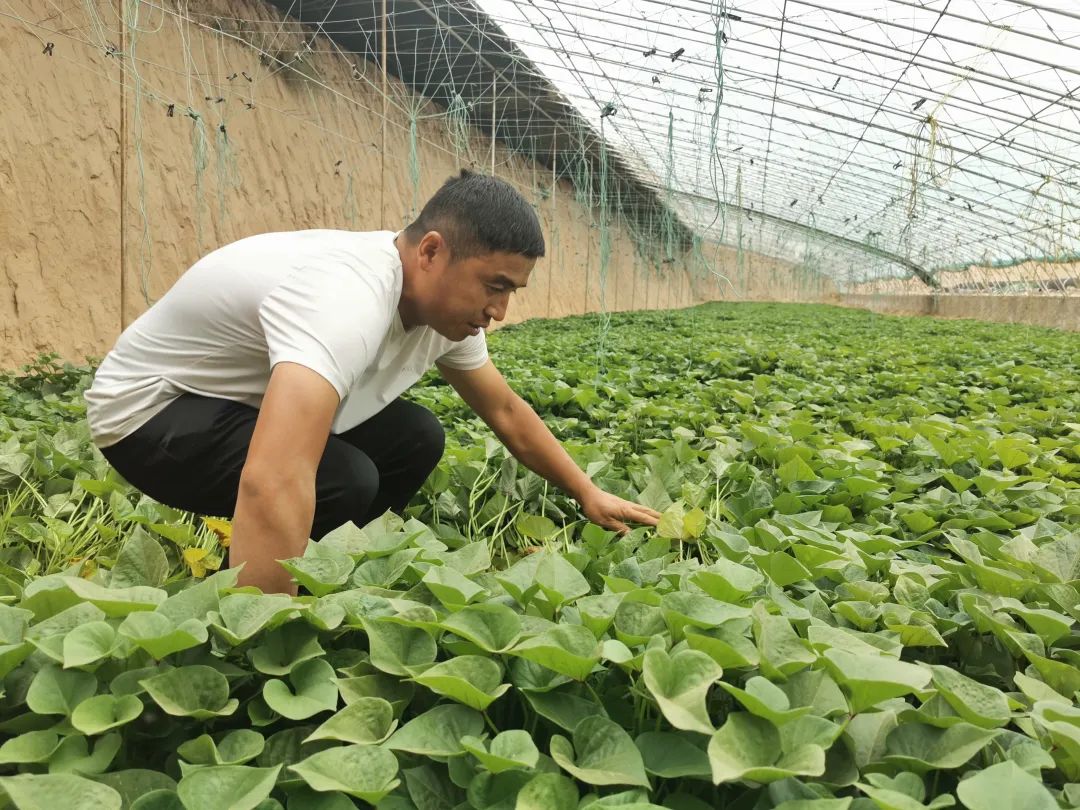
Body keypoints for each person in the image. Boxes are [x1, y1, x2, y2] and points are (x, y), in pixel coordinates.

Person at [85, 170, 660, 594]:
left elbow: (505, 411)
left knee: (416, 436)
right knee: (344, 479)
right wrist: (260, 637)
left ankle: (320, 563)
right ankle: (274, 584)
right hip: (151, 413)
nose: (501, 309)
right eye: (495, 285)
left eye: (512, 291)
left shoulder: (448, 312)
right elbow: (275, 475)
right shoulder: (345, 297)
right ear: (432, 251)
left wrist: (587, 491)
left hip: (238, 400)